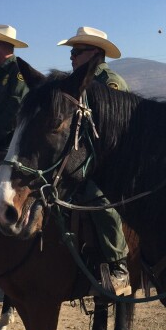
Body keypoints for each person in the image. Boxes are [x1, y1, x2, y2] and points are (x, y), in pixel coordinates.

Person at [57, 27, 131, 296]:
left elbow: (115, 130)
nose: (72, 57)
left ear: (96, 54)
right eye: (72, 53)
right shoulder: (76, 83)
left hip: (112, 161)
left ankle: (118, 265)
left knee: (99, 199)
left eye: (77, 52)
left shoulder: (109, 82)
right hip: (87, 159)